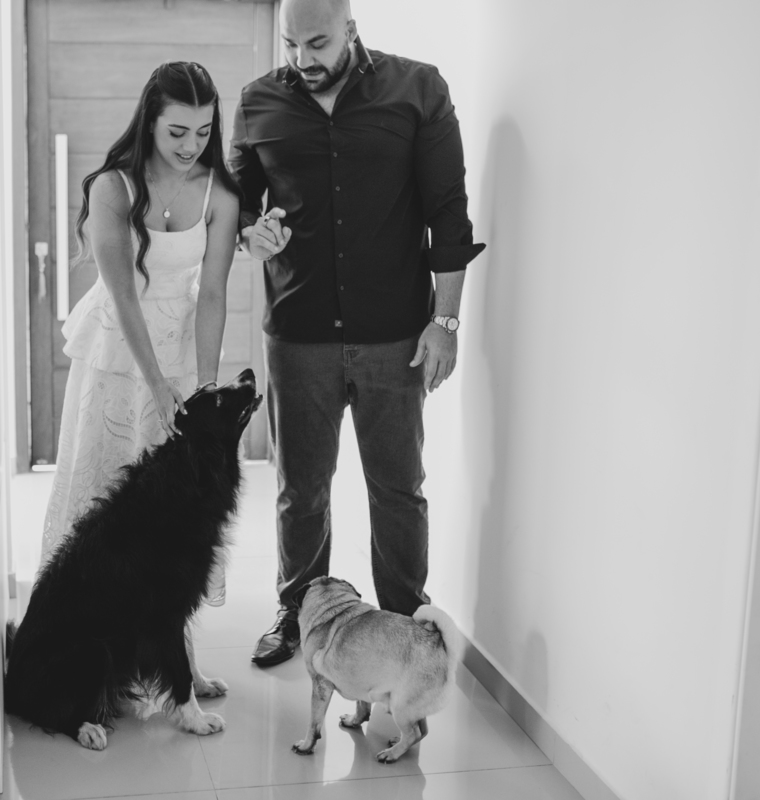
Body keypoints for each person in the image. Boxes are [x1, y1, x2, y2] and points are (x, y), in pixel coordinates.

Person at [228, 0, 486, 665]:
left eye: (317, 43)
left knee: (398, 491)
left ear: (350, 28)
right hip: (298, 332)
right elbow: (238, 210)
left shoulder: (418, 89)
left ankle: (405, 627)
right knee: (300, 492)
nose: (302, 59)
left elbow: (448, 214)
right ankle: (298, 614)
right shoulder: (258, 103)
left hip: (395, 335)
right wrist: (251, 236)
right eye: (290, 45)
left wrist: (445, 322)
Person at [40, 62, 242, 605]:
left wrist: (204, 389)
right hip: (118, 346)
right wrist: (155, 382)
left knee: (174, 505)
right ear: (150, 120)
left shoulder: (220, 194)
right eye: (177, 131)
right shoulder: (113, 187)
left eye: (203, 132)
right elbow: (123, 293)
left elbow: (213, 293)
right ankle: (83, 620)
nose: (190, 146)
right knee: (105, 487)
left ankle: (167, 638)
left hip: (182, 344)